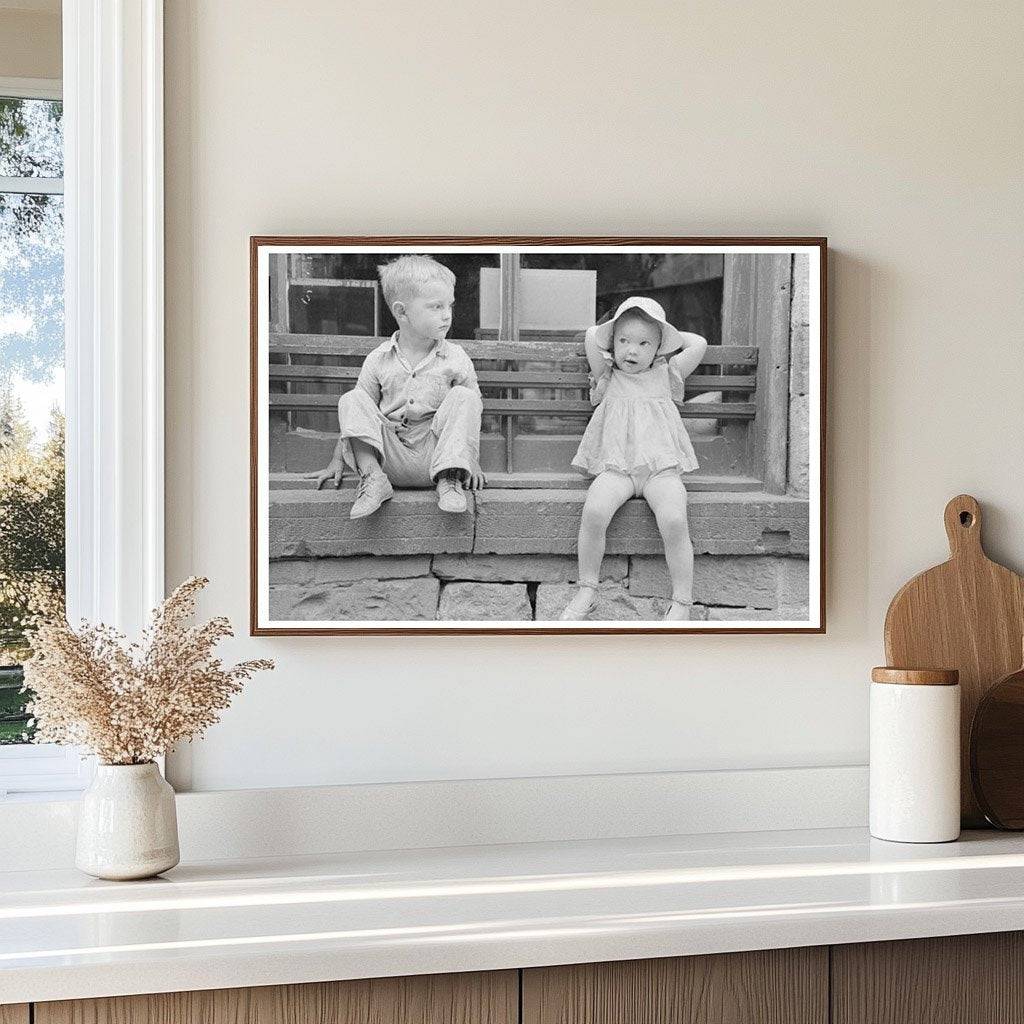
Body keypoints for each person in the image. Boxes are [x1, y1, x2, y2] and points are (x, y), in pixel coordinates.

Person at [560, 296, 708, 622]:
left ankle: (682, 603)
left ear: (658, 349)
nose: (632, 350)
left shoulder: (668, 373)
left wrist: (667, 336)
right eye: (624, 341)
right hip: (617, 468)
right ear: (612, 343)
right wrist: (612, 335)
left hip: (660, 470)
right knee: (595, 510)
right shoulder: (607, 375)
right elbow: (590, 334)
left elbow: (699, 343)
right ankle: (587, 588)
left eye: (644, 343)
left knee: (673, 519)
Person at [309, 255, 485, 518]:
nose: (447, 315)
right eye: (435, 307)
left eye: (449, 305)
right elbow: (358, 415)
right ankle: (373, 481)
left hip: (436, 458)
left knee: (466, 397)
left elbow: (471, 413)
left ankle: (450, 481)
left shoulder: (456, 357)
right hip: (388, 458)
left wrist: (470, 460)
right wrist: (338, 460)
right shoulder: (378, 359)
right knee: (352, 399)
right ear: (402, 311)